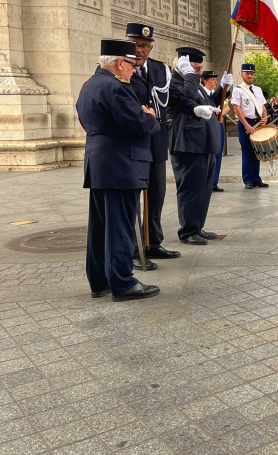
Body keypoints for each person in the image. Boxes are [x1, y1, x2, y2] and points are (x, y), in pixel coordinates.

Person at [77, 38, 160, 301]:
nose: (134, 71)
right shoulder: (117, 88)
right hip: (122, 164)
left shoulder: (89, 84)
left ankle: (99, 281)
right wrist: (150, 117)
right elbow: (138, 124)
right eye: (132, 65)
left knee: (100, 227)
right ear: (120, 63)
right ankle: (123, 283)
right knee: (121, 227)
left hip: (99, 164)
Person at [168, 47, 233, 245]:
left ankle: (197, 226)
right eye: (195, 69)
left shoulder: (192, 82)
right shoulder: (174, 81)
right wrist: (189, 75)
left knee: (202, 190)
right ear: (181, 66)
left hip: (203, 144)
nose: (198, 73)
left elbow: (209, 102)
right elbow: (186, 99)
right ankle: (188, 230)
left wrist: (223, 88)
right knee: (190, 190)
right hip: (187, 144)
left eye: (199, 69)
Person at [127, 22, 177, 271]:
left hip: (156, 142)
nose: (140, 50)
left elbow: (176, 97)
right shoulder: (118, 67)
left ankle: (152, 242)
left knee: (156, 193)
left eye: (145, 46)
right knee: (132, 198)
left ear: (151, 47)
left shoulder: (160, 69)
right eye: (135, 45)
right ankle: (134, 249)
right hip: (133, 143)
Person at [231, 63, 270, 189]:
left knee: (257, 151)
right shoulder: (238, 90)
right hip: (246, 122)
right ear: (242, 75)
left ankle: (256, 178)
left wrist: (265, 117)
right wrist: (246, 125)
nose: (250, 76)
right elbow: (236, 108)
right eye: (247, 73)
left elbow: (263, 106)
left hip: (258, 122)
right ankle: (248, 179)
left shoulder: (258, 89)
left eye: (252, 74)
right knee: (247, 151)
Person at [201, 71, 231, 193]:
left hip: (218, 125)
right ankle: (204, 182)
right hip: (206, 127)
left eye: (215, 79)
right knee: (206, 154)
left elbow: (227, 107)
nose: (215, 81)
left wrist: (220, 113)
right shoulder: (200, 93)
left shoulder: (219, 94)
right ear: (205, 81)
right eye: (212, 79)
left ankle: (214, 182)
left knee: (218, 153)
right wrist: (215, 113)